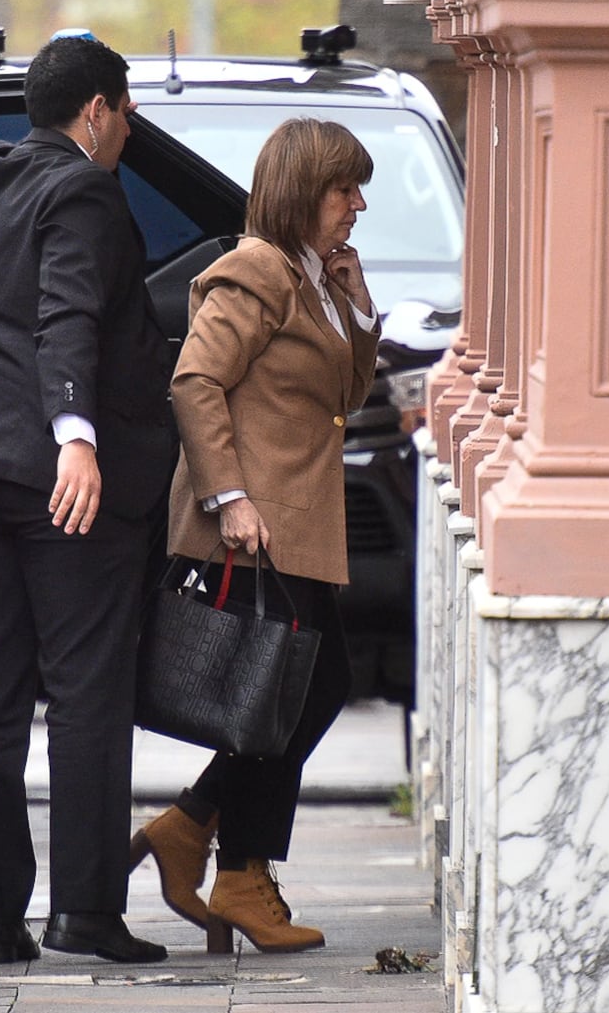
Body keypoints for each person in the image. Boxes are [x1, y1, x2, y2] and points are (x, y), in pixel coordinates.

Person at [0, 36, 175, 966]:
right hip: (54, 479)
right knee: (84, 693)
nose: (131, 122)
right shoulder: (84, 190)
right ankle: (84, 912)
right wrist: (78, 437)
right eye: (127, 104)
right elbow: (62, 314)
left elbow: (16, 307)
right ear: (97, 112)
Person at [129, 117, 378, 954]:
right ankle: (234, 868)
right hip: (259, 523)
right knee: (301, 690)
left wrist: (357, 298)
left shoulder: (314, 275)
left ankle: (199, 830)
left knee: (307, 689)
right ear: (302, 191)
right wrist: (227, 495)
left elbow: (346, 388)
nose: (358, 205)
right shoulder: (256, 270)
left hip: (300, 520)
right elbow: (195, 378)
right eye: (345, 189)